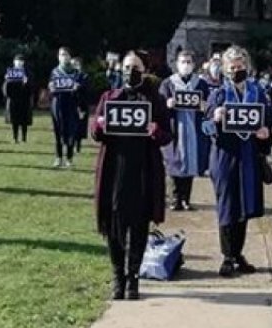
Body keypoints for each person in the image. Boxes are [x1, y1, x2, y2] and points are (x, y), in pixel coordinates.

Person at [91, 52, 171, 300]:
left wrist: (155, 130)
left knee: (138, 225)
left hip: (143, 171)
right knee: (114, 226)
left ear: (144, 69)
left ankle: (134, 277)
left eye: (135, 67)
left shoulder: (155, 99)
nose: (130, 71)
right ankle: (118, 276)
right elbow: (95, 132)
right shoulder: (109, 97)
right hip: (115, 170)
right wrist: (99, 125)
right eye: (126, 67)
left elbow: (167, 135)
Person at [201, 46, 272, 277]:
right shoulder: (218, 94)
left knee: (244, 206)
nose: (236, 71)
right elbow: (204, 126)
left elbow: (269, 120)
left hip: (249, 155)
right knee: (227, 206)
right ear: (224, 69)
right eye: (232, 67)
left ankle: (238, 253)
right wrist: (215, 117)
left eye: (240, 67)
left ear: (247, 67)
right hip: (224, 156)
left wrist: (266, 132)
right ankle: (227, 256)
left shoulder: (258, 92)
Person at [161, 51, 210, 211]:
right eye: (183, 62)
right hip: (175, 129)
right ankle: (175, 198)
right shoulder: (168, 83)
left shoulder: (201, 84)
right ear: (177, 64)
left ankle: (186, 199)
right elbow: (159, 107)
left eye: (189, 62)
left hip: (193, 129)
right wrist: (167, 104)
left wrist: (205, 107)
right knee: (174, 162)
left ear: (194, 65)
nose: (186, 65)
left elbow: (209, 105)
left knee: (190, 163)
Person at [50, 48, 86, 168]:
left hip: (71, 105)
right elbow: (51, 87)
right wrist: (51, 88)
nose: (63, 57)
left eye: (66, 54)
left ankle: (69, 159)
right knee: (58, 131)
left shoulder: (77, 73)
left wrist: (78, 88)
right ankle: (58, 158)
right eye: (61, 54)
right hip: (58, 104)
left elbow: (84, 90)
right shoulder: (55, 72)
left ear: (70, 56)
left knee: (71, 131)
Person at [3, 54, 34, 144]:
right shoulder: (10, 73)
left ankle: (24, 138)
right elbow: (5, 89)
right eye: (17, 61)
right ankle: (15, 138)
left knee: (24, 120)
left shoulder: (28, 73)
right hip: (13, 99)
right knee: (14, 119)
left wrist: (26, 82)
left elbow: (32, 88)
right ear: (14, 62)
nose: (19, 63)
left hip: (24, 99)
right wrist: (7, 81)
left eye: (21, 61)